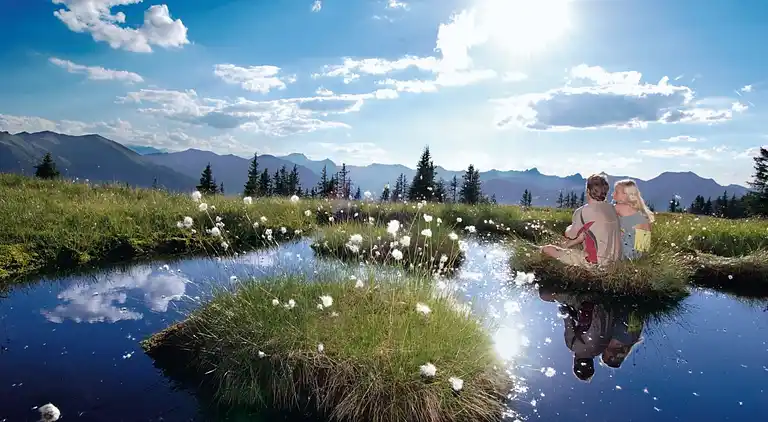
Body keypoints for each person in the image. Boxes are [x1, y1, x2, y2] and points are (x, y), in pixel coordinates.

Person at [541, 174, 621, 267]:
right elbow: (590, 233)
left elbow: (570, 235)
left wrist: (569, 228)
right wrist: (569, 244)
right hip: (614, 264)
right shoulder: (612, 209)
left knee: (546, 249)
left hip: (595, 265)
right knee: (583, 238)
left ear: (587, 190)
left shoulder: (582, 211)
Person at [612, 179, 654, 260]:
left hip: (627, 254)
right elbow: (644, 243)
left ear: (626, 194)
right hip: (640, 255)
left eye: (616, 192)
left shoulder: (620, 207)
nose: (613, 194)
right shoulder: (641, 213)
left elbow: (603, 213)